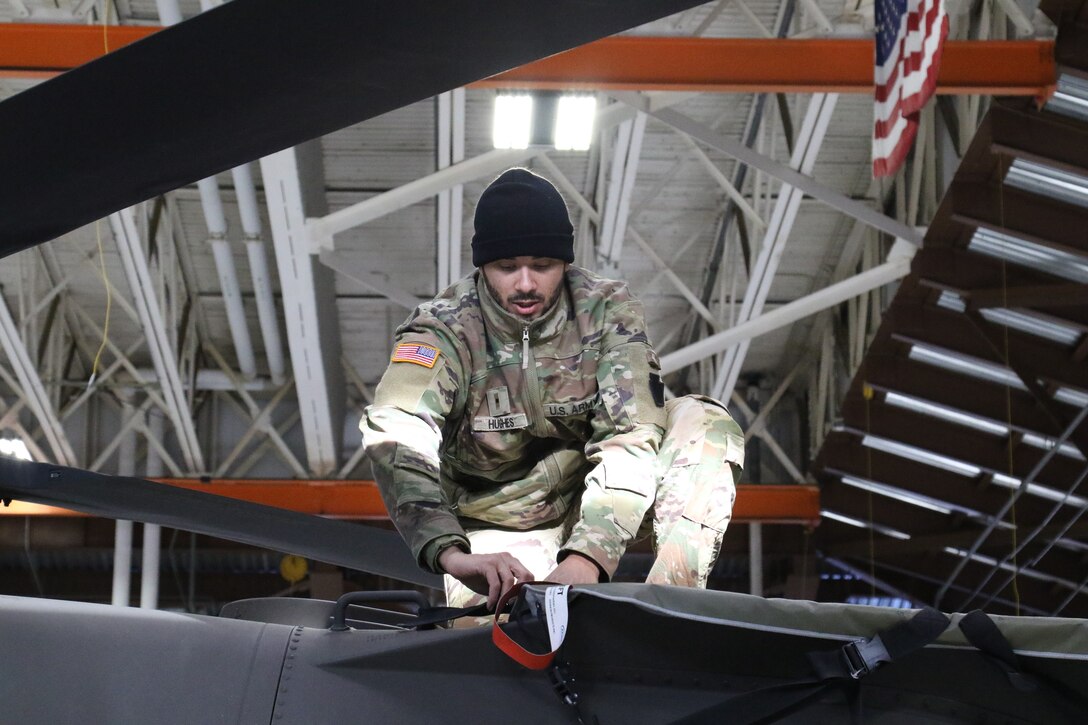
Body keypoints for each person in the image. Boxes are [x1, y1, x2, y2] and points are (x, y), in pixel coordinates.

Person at [362, 167, 744, 611]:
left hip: (598, 493)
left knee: (706, 422)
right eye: (507, 267)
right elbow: (397, 434)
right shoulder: (443, 329)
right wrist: (452, 553)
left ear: (565, 262)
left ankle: (672, 608)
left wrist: (589, 555)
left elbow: (629, 435)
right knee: (502, 644)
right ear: (482, 265)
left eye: (542, 266)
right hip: (498, 520)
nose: (525, 283)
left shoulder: (606, 311)